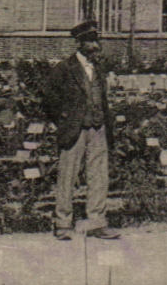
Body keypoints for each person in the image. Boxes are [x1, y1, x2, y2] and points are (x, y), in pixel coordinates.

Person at [43, 20, 120, 241]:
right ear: (79, 43)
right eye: (90, 41)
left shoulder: (99, 67)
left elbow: (101, 97)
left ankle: (97, 222)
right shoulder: (64, 68)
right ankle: (63, 223)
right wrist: (63, 119)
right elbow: (49, 98)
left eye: (97, 40)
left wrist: (104, 121)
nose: (95, 45)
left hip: (98, 126)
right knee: (68, 175)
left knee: (99, 176)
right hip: (74, 128)